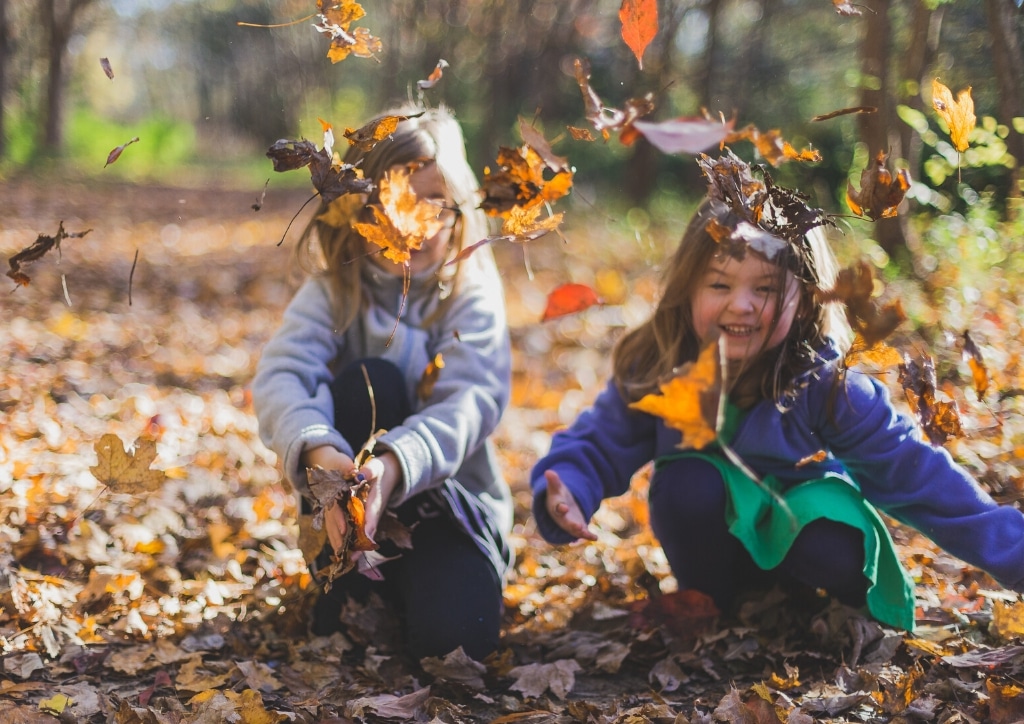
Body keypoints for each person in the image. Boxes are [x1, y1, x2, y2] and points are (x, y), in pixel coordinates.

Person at [530, 154, 1024, 631]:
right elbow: (600, 440)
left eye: (765, 289)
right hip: (714, 547)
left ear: (806, 297)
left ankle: (818, 608)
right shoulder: (663, 363)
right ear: (689, 288)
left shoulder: (828, 384)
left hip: (807, 539)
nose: (740, 305)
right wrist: (572, 486)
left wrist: (1016, 556)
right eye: (719, 284)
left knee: (830, 535)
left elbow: (919, 477)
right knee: (687, 484)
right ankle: (716, 603)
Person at [253, 106, 512, 660]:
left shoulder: (469, 293)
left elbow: (471, 400)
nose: (411, 225)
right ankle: (348, 583)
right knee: (370, 379)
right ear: (356, 210)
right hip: (346, 515)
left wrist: (392, 467)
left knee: (458, 647)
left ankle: (431, 589)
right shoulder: (334, 293)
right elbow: (282, 375)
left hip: (449, 514)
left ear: (458, 209)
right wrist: (322, 451)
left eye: (431, 205)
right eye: (391, 202)